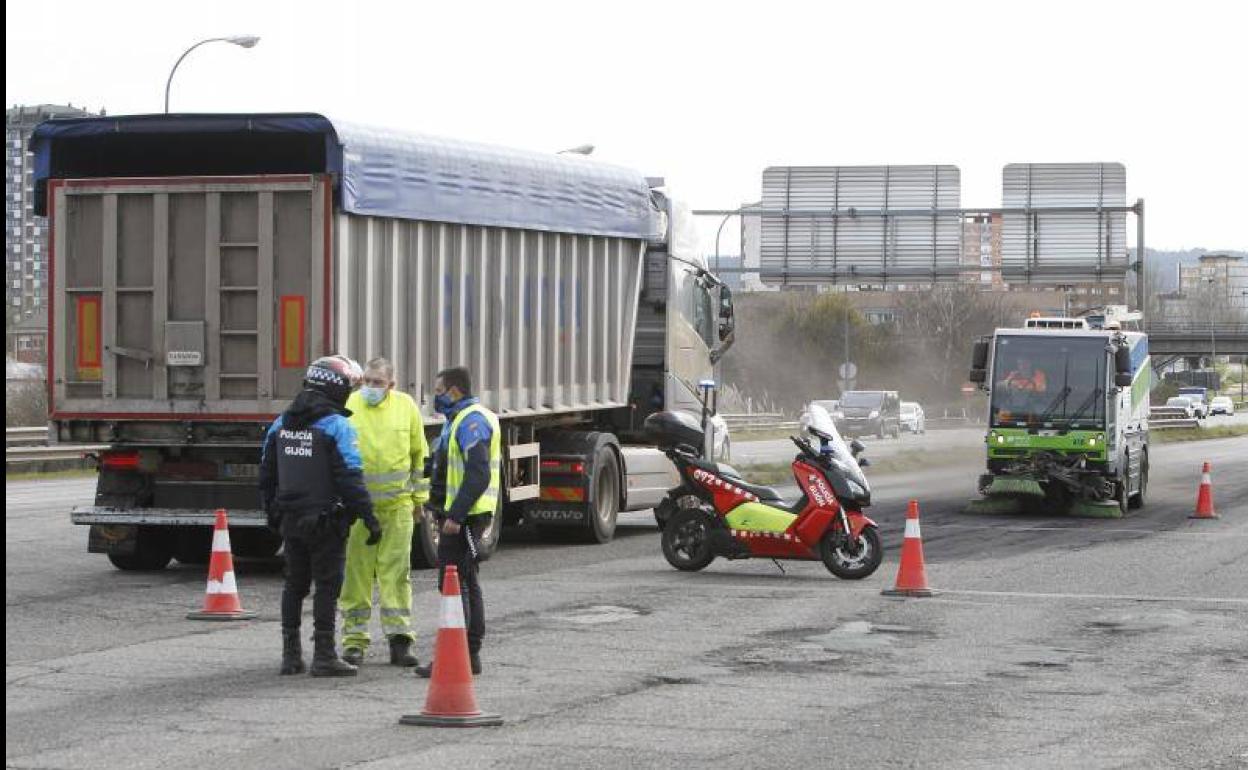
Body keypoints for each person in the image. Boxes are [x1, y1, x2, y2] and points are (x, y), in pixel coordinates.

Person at [259, 355, 383, 677]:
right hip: (327, 520)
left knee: (294, 585)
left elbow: (266, 474)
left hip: (291, 519)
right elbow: (350, 477)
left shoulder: (280, 423)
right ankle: (324, 655)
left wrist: (271, 512)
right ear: (337, 387)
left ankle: (290, 656)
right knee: (327, 586)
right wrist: (369, 517)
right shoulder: (337, 426)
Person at [339, 357, 430, 668]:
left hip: (398, 508)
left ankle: (400, 640)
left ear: (391, 384)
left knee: (396, 575)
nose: (371, 387)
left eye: (378, 382)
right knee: (356, 576)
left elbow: (420, 456)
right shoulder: (351, 404)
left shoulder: (406, 408)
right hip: (359, 511)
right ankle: (354, 642)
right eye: (367, 381)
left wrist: (419, 499)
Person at [415, 366, 500, 678]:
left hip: (465, 518)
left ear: (454, 392)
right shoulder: (460, 420)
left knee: (454, 585)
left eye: (438, 392)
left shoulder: (471, 421)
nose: (435, 398)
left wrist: (456, 515)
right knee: (465, 581)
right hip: (462, 516)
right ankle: (469, 655)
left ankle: (458, 656)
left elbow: (479, 473)